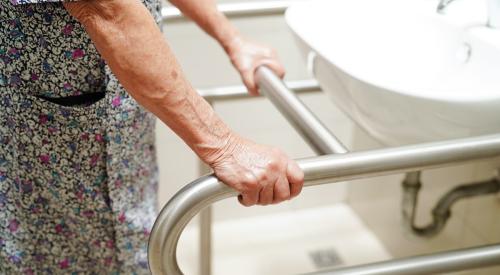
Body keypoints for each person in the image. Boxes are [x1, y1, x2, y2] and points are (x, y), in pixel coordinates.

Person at [0, 0, 304, 273]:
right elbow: (107, 9)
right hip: (40, 155)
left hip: (121, 141)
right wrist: (225, 148)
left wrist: (233, 40)